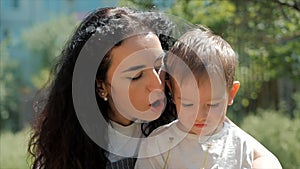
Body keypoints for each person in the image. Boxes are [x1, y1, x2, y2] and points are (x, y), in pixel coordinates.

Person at [28, 7, 177, 169]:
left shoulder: (187, 124)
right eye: (136, 76)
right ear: (101, 85)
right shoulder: (66, 154)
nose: (156, 85)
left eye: (158, 67)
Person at [135, 27, 282, 168]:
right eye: (188, 104)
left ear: (231, 94)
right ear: (172, 92)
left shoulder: (241, 145)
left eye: (212, 105)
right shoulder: (158, 145)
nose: (199, 116)